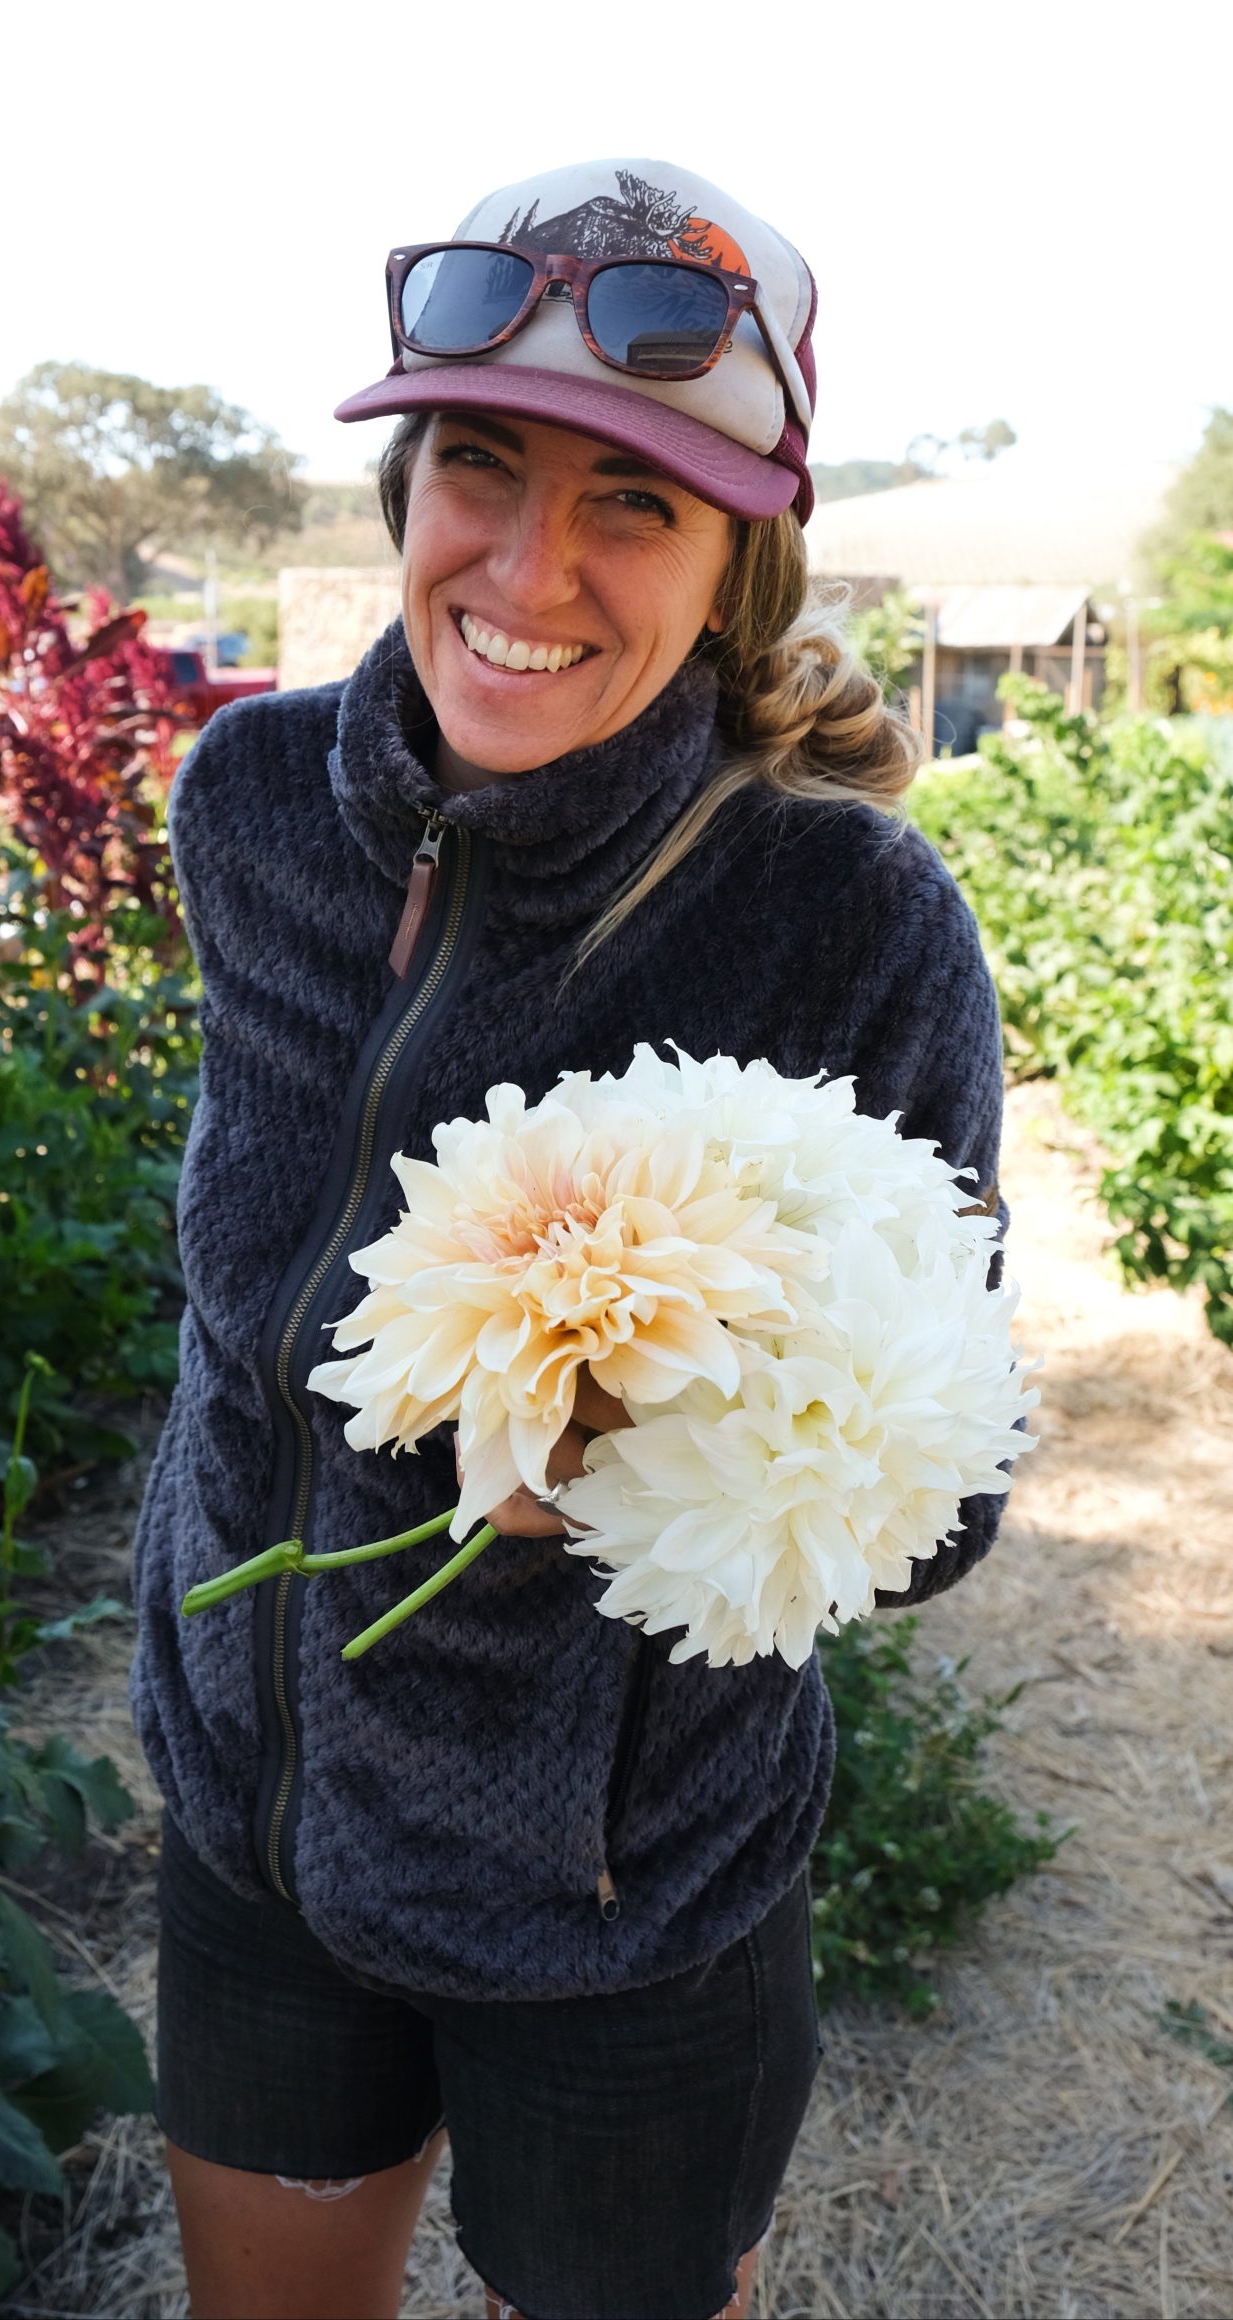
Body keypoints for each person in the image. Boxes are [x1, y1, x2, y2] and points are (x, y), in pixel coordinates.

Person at [128, 157, 1015, 2320]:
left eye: (632, 501)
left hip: (620, 1910)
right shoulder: (248, 809)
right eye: (476, 464)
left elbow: (949, 1478)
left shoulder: (842, 915)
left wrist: (653, 1448)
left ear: (737, 564)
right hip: (251, 1824)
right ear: (402, 488)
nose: (528, 564)